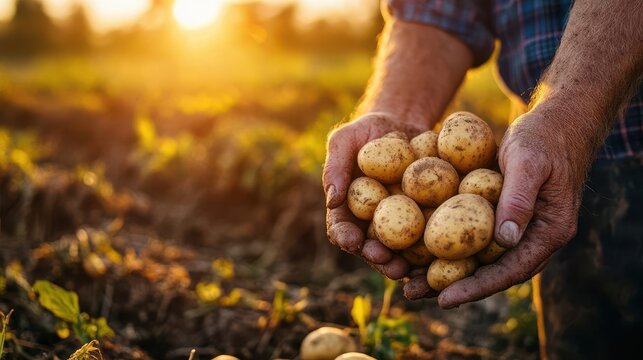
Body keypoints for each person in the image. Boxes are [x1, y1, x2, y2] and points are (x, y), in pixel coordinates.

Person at [322, 1, 642, 359]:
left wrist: (567, 116)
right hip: (537, 165)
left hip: (576, 139)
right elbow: (436, 12)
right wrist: (398, 110)